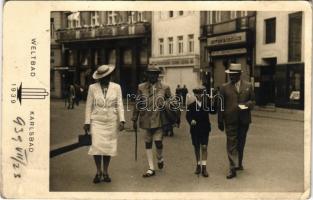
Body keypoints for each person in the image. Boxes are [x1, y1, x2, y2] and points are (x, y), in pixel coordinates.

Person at [83, 64, 125, 184]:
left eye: (107, 77)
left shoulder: (117, 87)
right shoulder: (92, 88)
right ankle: (98, 171)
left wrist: (122, 120)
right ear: (99, 77)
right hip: (97, 121)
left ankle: (105, 171)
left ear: (110, 76)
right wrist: (87, 122)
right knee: (96, 147)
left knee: (108, 147)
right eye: (102, 77)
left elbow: (120, 104)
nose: (105, 79)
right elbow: (88, 106)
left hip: (111, 121)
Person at [132, 65, 172, 178]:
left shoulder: (165, 87)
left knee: (158, 142)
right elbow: (137, 104)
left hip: (159, 119)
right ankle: (151, 168)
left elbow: (172, 101)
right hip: (146, 119)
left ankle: (160, 158)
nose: (152, 76)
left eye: (155, 74)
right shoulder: (141, 87)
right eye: (150, 73)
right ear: (147, 75)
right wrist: (134, 119)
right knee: (148, 142)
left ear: (158, 75)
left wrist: (166, 105)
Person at [217, 63, 255, 179]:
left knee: (241, 143)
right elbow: (220, 105)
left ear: (239, 74)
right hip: (230, 120)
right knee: (231, 144)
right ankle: (232, 168)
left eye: (233, 74)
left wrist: (247, 105)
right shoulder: (224, 87)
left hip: (244, 121)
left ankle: (239, 163)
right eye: (230, 75)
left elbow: (253, 101)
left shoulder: (248, 85)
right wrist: (220, 120)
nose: (231, 77)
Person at [186, 86, 214, 177]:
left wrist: (213, 101)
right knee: (197, 147)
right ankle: (198, 165)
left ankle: (204, 167)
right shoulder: (191, 105)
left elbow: (213, 111)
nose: (199, 95)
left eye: (201, 93)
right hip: (195, 129)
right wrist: (191, 121)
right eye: (197, 93)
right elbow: (188, 116)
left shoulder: (207, 104)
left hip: (205, 129)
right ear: (195, 94)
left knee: (204, 147)